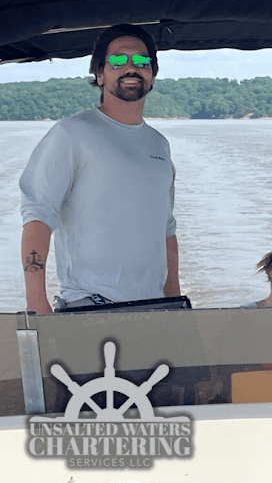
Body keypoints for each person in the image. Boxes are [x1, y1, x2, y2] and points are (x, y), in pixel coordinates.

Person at [20, 23, 180, 314]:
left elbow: (166, 231)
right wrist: (36, 305)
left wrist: (177, 306)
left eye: (142, 60)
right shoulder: (72, 133)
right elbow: (38, 216)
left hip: (155, 311)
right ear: (100, 73)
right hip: (90, 307)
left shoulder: (159, 145)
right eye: (118, 60)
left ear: (152, 74)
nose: (131, 67)